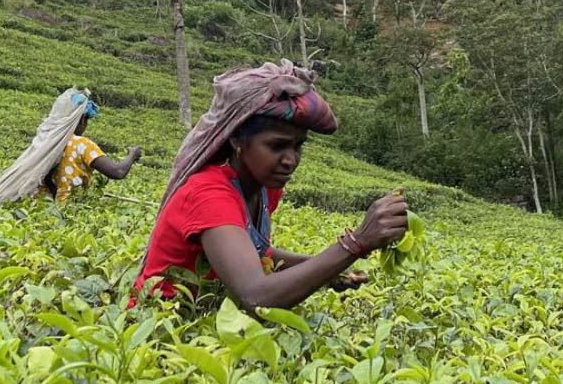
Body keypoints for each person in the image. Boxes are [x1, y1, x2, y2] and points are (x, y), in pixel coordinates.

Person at [134, 61, 408, 310]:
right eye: (277, 146)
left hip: (207, 317)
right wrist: (355, 243)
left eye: (298, 146)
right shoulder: (208, 193)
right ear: (237, 140)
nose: (290, 160)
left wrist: (327, 270)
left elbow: (256, 254)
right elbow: (255, 294)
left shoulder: (265, 187)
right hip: (160, 323)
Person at [0, 88, 141, 211]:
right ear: (81, 120)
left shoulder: (45, 141)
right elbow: (117, 172)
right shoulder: (81, 144)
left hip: (38, 210)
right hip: (68, 212)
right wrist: (132, 155)